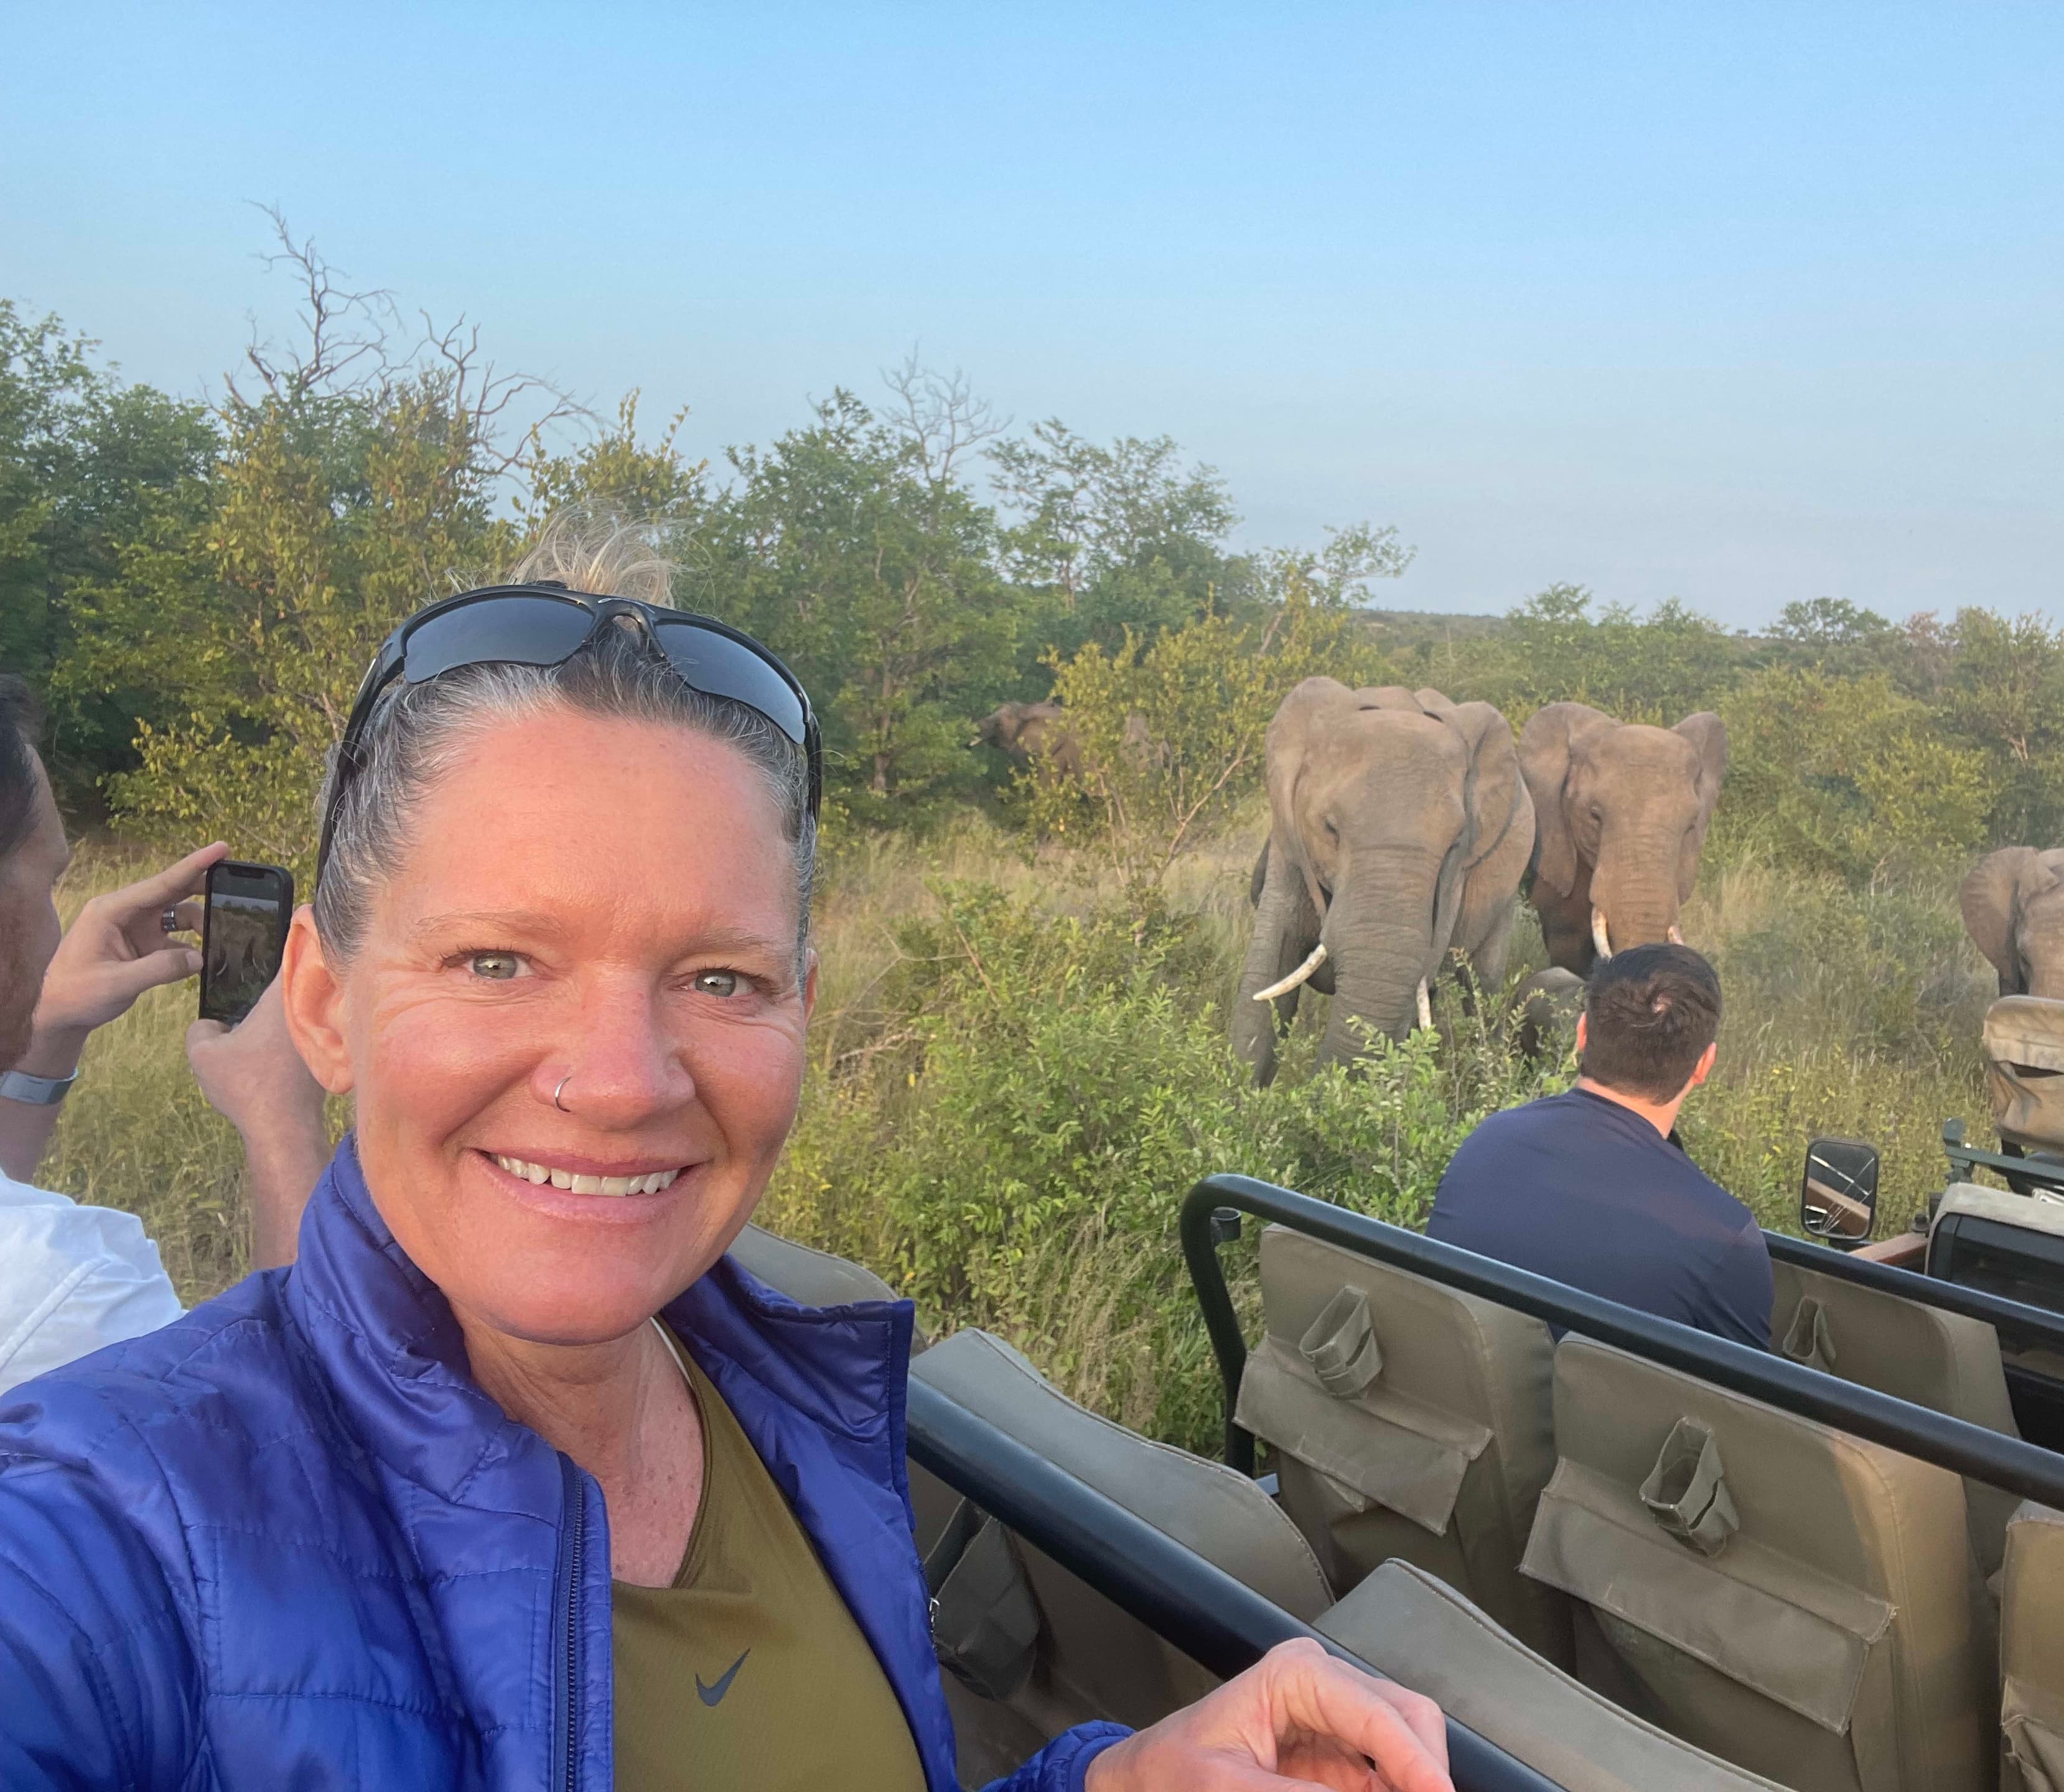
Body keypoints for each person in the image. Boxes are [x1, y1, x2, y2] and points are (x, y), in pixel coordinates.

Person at [0, 538, 1451, 1792]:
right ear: (322, 1001)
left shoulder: (788, 1395)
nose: (623, 1079)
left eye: (719, 978)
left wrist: (1109, 1778)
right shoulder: (95, 1540)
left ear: (802, 1006)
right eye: (496, 959)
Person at [0, 674, 328, 1396]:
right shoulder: (61, 1288)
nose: (56, 933)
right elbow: (291, 1425)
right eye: (48, 883)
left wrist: (47, 1030)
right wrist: (282, 1122)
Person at [1427, 943, 1772, 1350]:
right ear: (1703, 1065)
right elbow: (1746, 1389)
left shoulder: (1484, 1144)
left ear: (1582, 1033)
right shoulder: (1725, 1236)